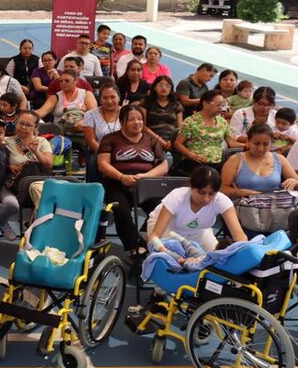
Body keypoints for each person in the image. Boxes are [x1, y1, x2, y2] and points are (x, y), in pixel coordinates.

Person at [97, 105, 168, 255]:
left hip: (146, 184)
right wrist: (122, 177)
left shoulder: (151, 140)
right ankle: (135, 247)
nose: (137, 122)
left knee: (161, 209)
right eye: (132, 119)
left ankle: (148, 238)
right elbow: (102, 164)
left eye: (140, 119)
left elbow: (163, 166)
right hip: (116, 182)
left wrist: (145, 176)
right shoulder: (110, 139)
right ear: (122, 122)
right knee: (121, 210)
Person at [147, 166, 246, 253]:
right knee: (173, 260)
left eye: (212, 194)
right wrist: (167, 253)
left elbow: (239, 235)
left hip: (199, 231)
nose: (206, 199)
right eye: (201, 192)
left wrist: (243, 250)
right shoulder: (176, 197)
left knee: (216, 258)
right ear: (191, 186)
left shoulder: (223, 201)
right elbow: (155, 236)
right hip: (168, 229)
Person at [220, 122, 298, 210]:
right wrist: (240, 192)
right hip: (246, 209)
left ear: (271, 143)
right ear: (248, 143)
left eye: (265, 144)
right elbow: (222, 189)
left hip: (276, 210)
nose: (260, 148)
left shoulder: (280, 159)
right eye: (256, 143)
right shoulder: (235, 160)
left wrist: (295, 183)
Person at [0, 111, 54, 238]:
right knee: (13, 204)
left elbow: (49, 165)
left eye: (28, 125)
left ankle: (36, 226)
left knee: (40, 191)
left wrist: (36, 151)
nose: (23, 127)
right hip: (12, 186)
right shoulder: (6, 141)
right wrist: (8, 166)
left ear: (35, 128)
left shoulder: (41, 141)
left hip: (36, 185)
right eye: (21, 123)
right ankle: (34, 225)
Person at [173, 89, 240, 175]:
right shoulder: (191, 121)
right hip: (196, 162)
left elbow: (232, 143)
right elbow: (178, 144)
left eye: (222, 105)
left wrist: (248, 144)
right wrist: (192, 155)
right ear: (205, 104)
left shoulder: (222, 121)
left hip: (217, 162)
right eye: (218, 105)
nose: (221, 108)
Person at [35, 68, 98, 133]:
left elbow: (94, 114)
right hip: (60, 133)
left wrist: (84, 122)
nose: (63, 83)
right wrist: (27, 115)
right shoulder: (55, 97)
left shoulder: (86, 94)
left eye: (67, 81)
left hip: (82, 132)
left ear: (75, 81)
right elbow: (41, 112)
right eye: (61, 81)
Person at [82, 83, 122, 181]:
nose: (109, 101)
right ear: (100, 100)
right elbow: (91, 141)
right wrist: (107, 154)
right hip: (98, 149)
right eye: (105, 98)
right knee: (92, 160)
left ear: (119, 98)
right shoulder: (90, 114)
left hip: (123, 150)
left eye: (113, 97)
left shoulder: (127, 112)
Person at [142, 75, 182, 150]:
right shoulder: (146, 102)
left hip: (172, 138)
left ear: (171, 89)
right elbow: (142, 126)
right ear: (154, 87)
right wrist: (158, 139)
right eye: (160, 85)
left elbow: (180, 127)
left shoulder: (176, 104)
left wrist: (171, 140)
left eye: (168, 86)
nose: (164, 88)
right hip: (152, 136)